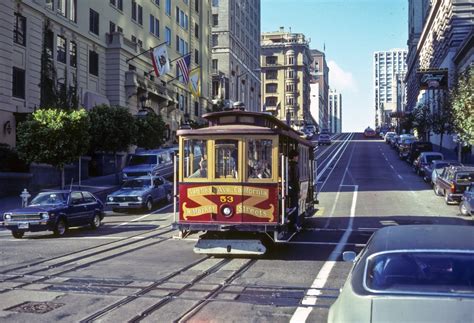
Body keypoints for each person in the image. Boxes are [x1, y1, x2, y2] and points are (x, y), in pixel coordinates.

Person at [288, 149, 301, 231]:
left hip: (289, 188)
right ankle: (294, 225)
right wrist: (298, 191)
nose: (297, 158)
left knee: (290, 207)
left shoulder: (288, 165)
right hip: (293, 189)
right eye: (296, 156)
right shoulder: (295, 166)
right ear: (294, 157)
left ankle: (290, 223)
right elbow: (296, 179)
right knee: (295, 207)